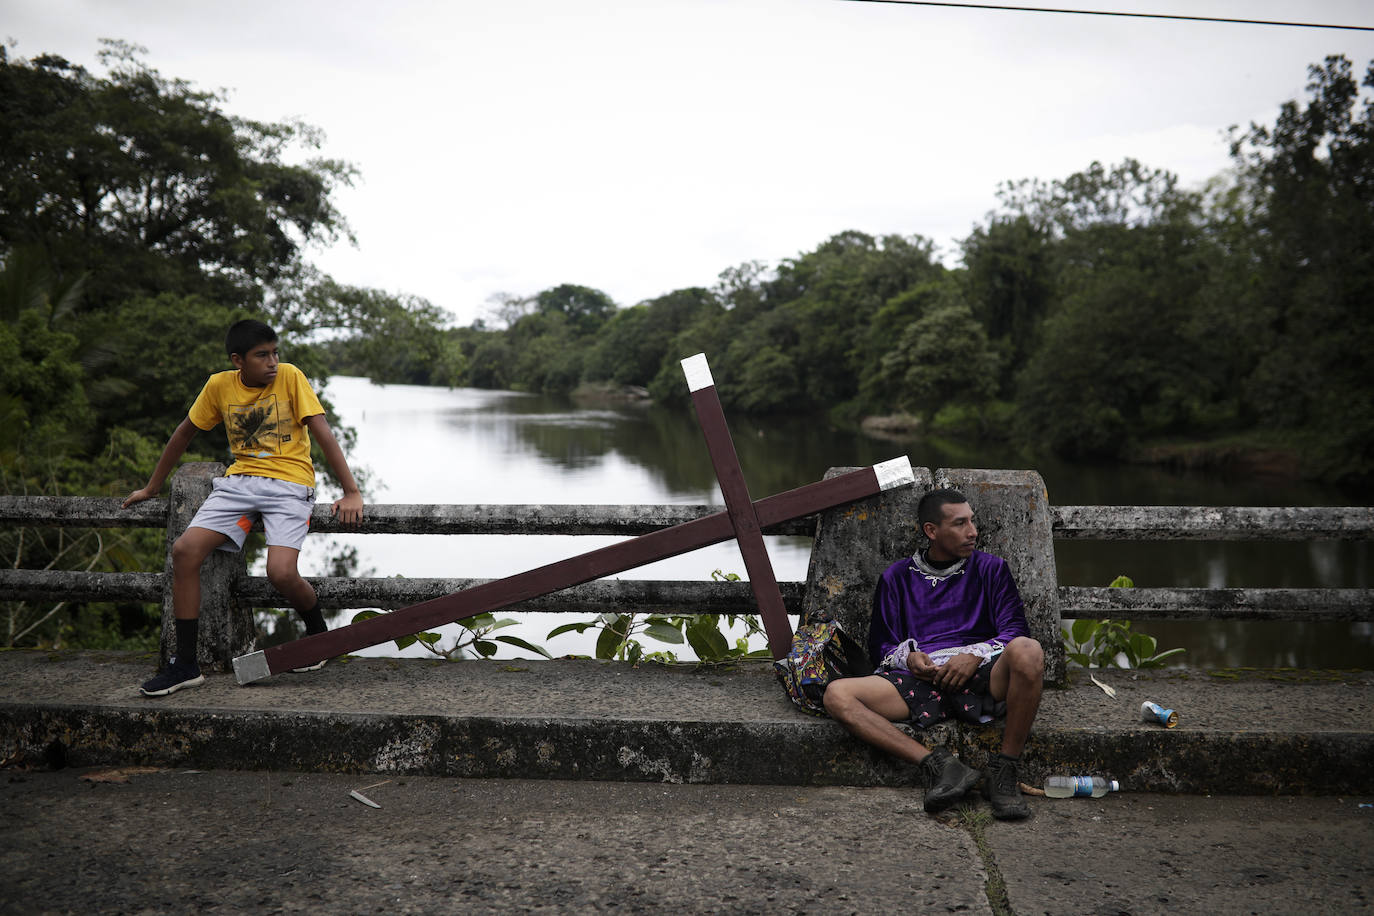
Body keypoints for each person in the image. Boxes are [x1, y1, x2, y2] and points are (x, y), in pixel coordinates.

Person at [123, 319, 364, 697]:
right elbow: (184, 432)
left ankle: (319, 637)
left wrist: (351, 492)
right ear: (238, 360)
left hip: (289, 484)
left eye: (275, 353)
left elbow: (323, 432)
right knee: (185, 551)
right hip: (239, 485)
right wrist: (153, 486)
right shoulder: (219, 385)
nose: (273, 362)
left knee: (281, 572)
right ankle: (185, 665)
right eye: (262, 355)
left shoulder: (290, 377)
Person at [822, 488, 1044, 820]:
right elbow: (881, 647)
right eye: (960, 524)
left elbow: (1015, 630)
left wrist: (975, 655)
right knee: (836, 695)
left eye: (972, 521)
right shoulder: (896, 578)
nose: (973, 531)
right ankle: (939, 766)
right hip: (921, 680)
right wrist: (910, 657)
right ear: (932, 531)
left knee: (1029, 650)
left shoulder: (992, 569)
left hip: (983, 674)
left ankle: (1004, 770)